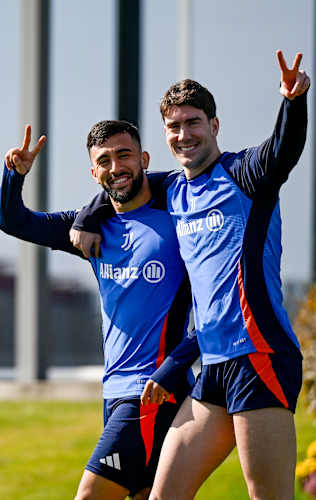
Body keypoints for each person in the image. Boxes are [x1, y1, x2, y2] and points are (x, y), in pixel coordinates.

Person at [70, 50, 310, 500]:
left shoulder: (245, 173)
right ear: (164, 135)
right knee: (164, 495)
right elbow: (120, 180)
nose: (184, 135)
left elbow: (284, 149)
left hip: (259, 356)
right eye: (174, 127)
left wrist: (293, 103)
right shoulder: (172, 189)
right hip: (212, 369)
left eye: (193, 122)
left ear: (213, 126)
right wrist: (87, 215)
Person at [0, 121, 199, 500]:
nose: (115, 167)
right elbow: (13, 220)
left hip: (150, 391)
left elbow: (211, 310)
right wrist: (15, 175)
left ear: (144, 159)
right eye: (103, 161)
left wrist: (173, 368)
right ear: (94, 173)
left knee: (90, 495)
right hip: (115, 393)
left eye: (124, 155)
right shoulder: (92, 231)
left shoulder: (176, 221)